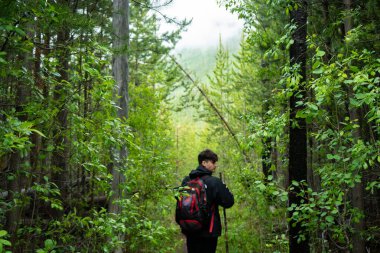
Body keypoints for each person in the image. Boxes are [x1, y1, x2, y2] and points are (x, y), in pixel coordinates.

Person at [181, 149, 234, 253]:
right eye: (213, 162)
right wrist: (223, 187)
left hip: (190, 229)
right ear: (204, 163)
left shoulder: (186, 180)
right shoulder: (214, 182)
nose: (215, 165)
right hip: (209, 231)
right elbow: (228, 202)